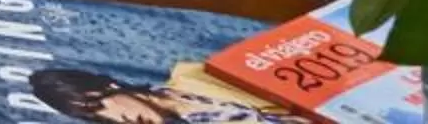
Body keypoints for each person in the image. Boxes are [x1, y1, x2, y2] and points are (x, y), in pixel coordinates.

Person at [24, 67, 295, 123]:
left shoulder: (191, 74)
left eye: (98, 105)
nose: (118, 119)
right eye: (101, 121)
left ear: (112, 87)